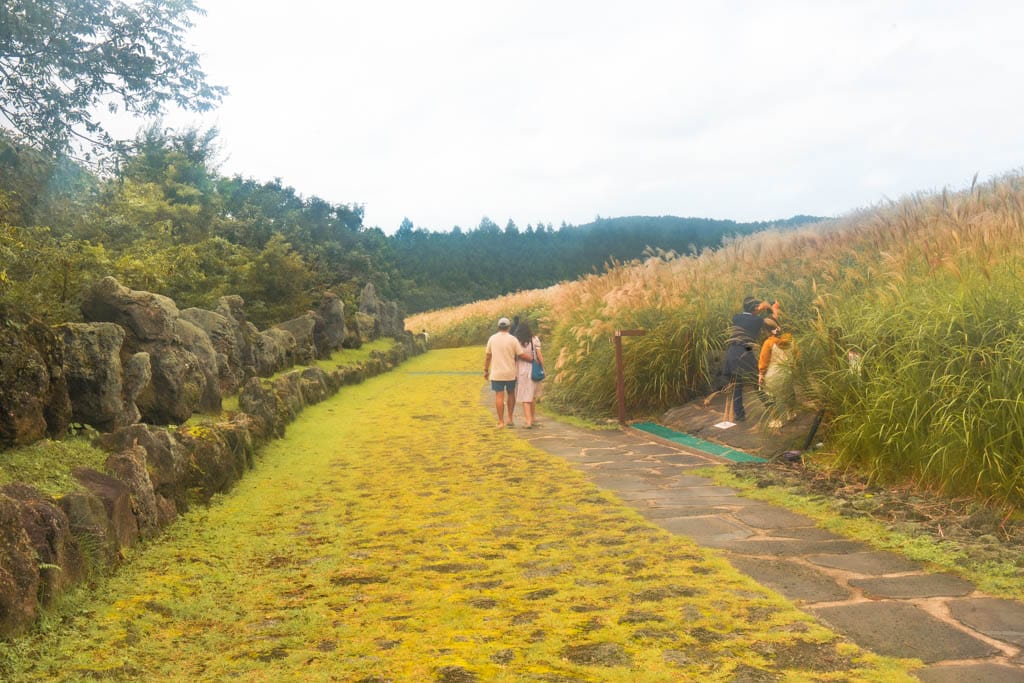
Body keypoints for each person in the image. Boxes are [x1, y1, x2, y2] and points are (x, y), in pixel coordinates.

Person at [721, 296, 780, 422]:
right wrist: (772, 309)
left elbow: (750, 315)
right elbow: (773, 324)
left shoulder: (736, 317)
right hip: (746, 351)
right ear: (755, 308)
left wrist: (761, 307)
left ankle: (739, 415)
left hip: (732, 351)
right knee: (757, 383)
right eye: (757, 306)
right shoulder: (757, 321)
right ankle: (772, 409)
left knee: (737, 385)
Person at [484, 317, 533, 427]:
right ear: (508, 327)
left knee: (499, 396)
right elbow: (520, 354)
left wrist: (486, 370)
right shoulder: (513, 339)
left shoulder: (492, 339)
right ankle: (510, 418)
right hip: (511, 372)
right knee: (511, 394)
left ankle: (501, 421)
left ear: (498, 327)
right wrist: (532, 359)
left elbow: (488, 356)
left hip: (497, 373)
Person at [758, 323, 797, 428]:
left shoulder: (768, 343)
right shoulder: (791, 341)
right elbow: (797, 356)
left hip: (772, 374)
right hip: (787, 372)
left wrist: (761, 374)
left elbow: (763, 361)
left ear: (769, 331)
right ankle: (791, 414)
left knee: (770, 397)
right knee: (789, 393)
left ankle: (776, 420)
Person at [513, 322, 544, 428]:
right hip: (534, 369)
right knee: (532, 396)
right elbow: (539, 355)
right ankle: (533, 418)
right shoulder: (535, 339)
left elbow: (515, 356)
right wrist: (542, 367)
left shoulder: (517, 341)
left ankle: (528, 421)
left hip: (522, 370)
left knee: (525, 397)